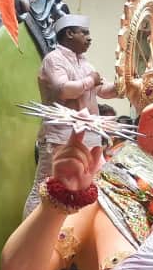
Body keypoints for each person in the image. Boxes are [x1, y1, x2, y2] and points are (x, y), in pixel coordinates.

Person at [26, 13, 118, 216]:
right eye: (84, 33)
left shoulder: (86, 64)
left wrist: (124, 85)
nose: (89, 38)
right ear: (69, 33)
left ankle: (67, 238)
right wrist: (90, 81)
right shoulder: (53, 59)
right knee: (45, 186)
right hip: (61, 136)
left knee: (85, 185)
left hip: (89, 136)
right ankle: (28, 234)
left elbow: (103, 91)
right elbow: (64, 89)